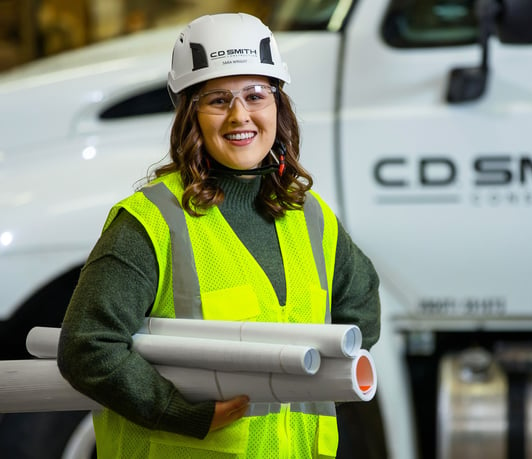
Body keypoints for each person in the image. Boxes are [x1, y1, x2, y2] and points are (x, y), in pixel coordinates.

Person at [57, 12, 381, 459]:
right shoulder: (151, 221)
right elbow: (87, 345)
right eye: (218, 100)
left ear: (277, 105)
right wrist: (179, 410)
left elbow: (361, 312)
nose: (239, 115)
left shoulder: (310, 215)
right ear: (190, 113)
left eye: (255, 95)